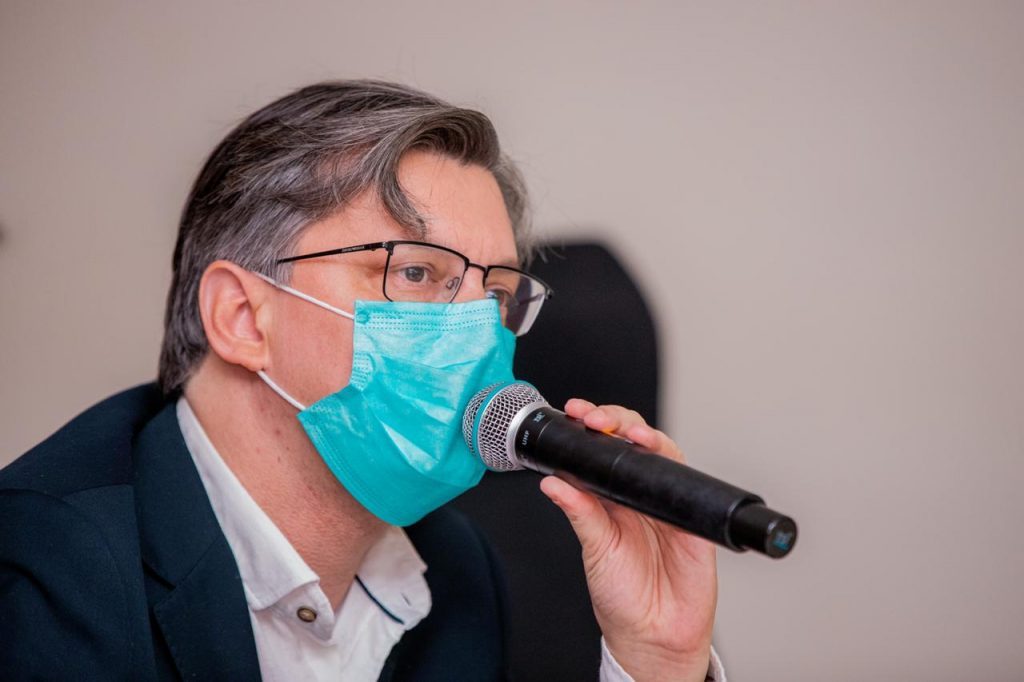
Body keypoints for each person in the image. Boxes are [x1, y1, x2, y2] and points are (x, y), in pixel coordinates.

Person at [0, 80, 723, 681]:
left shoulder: (456, 565)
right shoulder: (42, 571)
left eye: (498, 293)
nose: (477, 330)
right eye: (417, 273)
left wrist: (657, 660)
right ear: (242, 318)